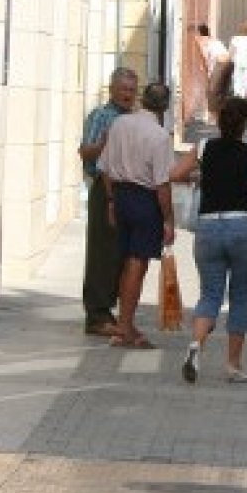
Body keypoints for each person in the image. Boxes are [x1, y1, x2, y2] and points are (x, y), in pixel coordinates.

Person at [170, 98, 247, 384]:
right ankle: (233, 365)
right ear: (244, 123)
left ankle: (196, 345)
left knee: (210, 294)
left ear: (220, 121)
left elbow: (175, 174)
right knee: (240, 296)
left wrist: (202, 175)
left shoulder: (204, 148)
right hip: (242, 227)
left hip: (208, 228)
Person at [98, 82, 177, 348]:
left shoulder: (120, 124)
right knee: (137, 262)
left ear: (142, 99)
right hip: (144, 200)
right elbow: (162, 183)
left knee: (125, 260)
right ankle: (125, 326)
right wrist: (168, 219)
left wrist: (110, 201)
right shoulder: (159, 136)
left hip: (120, 195)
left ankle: (124, 322)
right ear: (165, 107)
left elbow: (105, 167)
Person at [77, 67, 137, 337]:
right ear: (112, 89)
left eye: (132, 90)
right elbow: (84, 151)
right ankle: (96, 315)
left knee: (120, 254)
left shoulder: (135, 119)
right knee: (102, 252)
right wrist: (104, 144)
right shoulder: (101, 116)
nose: (128, 95)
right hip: (105, 188)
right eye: (124, 89)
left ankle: (109, 310)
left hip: (128, 189)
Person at [198, 24, 231, 123]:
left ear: (200, 34)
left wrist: (207, 73)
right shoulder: (214, 41)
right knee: (221, 92)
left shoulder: (203, 42)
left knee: (211, 92)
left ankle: (213, 117)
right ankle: (220, 116)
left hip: (220, 64)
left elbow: (205, 60)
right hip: (228, 63)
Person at [228, 22, 247, 98]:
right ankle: (242, 95)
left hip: (237, 61)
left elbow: (231, 51)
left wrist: (228, 60)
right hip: (246, 62)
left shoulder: (235, 39)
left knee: (236, 78)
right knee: (244, 79)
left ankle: (237, 94)